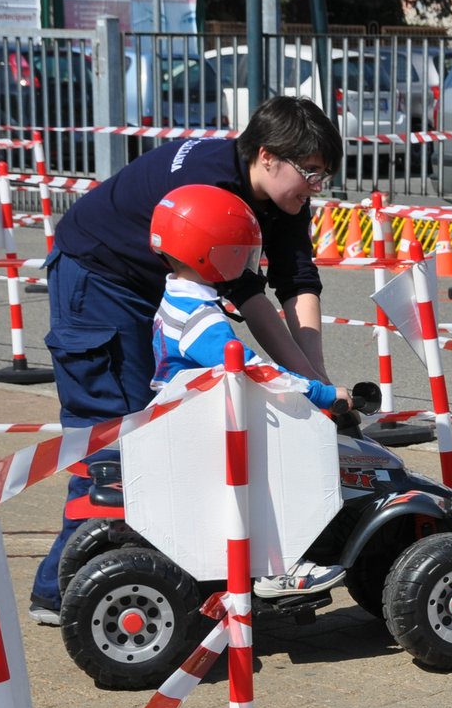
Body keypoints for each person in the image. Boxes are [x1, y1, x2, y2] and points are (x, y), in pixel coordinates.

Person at [30, 96, 342, 624]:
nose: (316, 187)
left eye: (323, 176)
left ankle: (169, 573)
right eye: (310, 173)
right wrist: (306, 387)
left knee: (174, 442)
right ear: (268, 157)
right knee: (118, 440)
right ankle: (67, 591)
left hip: (161, 286)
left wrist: (317, 377)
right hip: (99, 279)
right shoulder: (210, 192)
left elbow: (296, 279)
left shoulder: (280, 196)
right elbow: (250, 298)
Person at [147, 183, 347, 599]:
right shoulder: (201, 320)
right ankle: (279, 566)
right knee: (283, 464)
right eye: (240, 252)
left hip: (183, 421)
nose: (247, 263)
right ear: (212, 255)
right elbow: (256, 371)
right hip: (201, 432)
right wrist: (322, 395)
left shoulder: (176, 299)